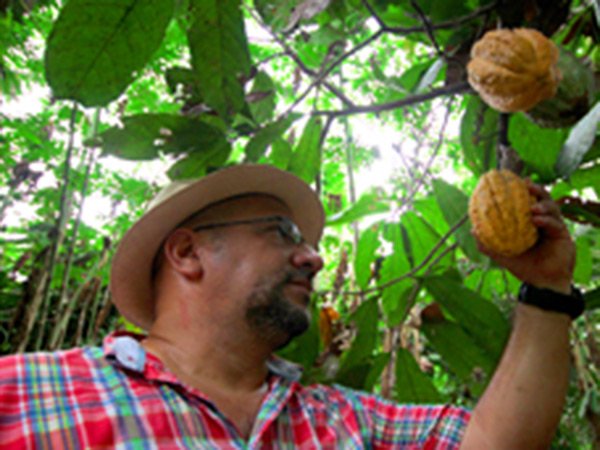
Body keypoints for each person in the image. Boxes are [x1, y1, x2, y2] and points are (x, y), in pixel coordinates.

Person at [0, 164, 584, 449]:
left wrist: (547, 289)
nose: (313, 259)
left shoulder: (341, 420)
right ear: (187, 252)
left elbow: (492, 443)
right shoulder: (25, 393)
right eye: (282, 233)